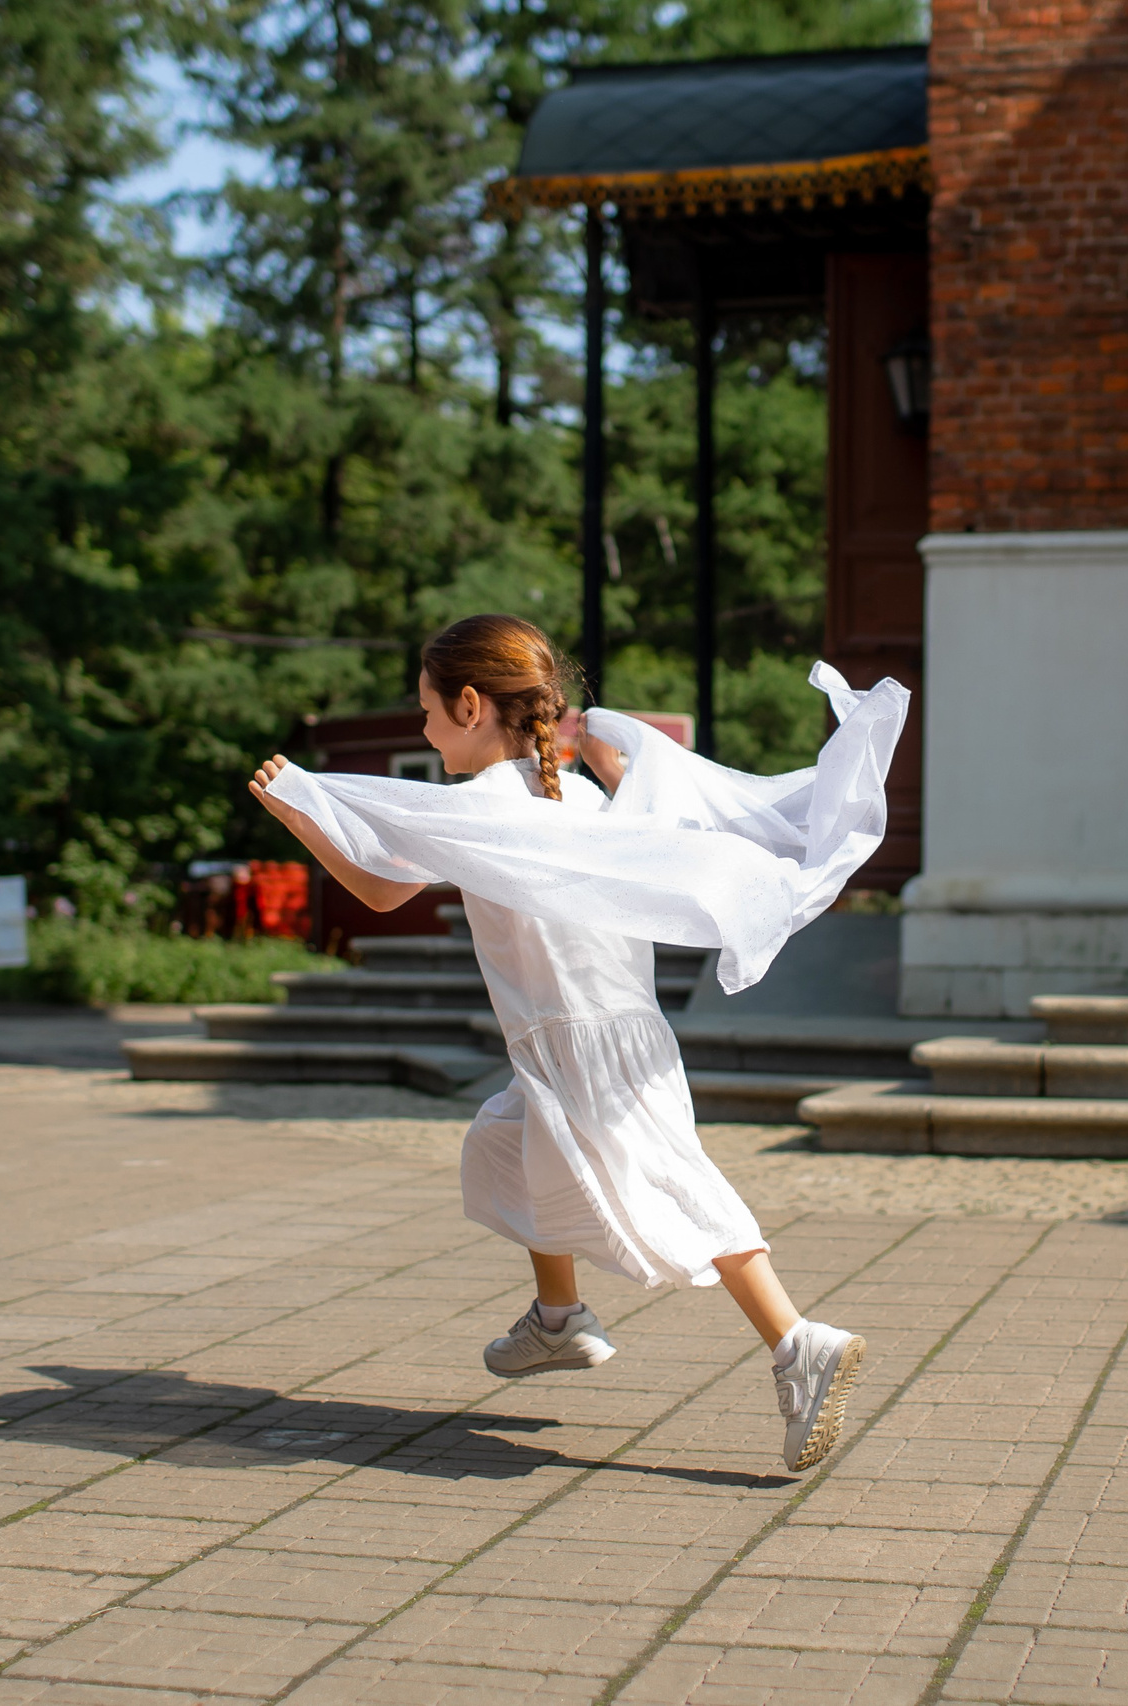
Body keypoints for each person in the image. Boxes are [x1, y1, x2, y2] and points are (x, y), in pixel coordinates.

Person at [248, 614, 907, 1474]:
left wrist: (296, 809)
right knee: (512, 1145)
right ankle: (559, 1321)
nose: (420, 728)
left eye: (427, 710)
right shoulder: (576, 796)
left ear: (473, 704)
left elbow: (375, 890)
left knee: (677, 1189)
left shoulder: (480, 810)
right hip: (595, 1037)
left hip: (582, 1042)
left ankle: (799, 1345)